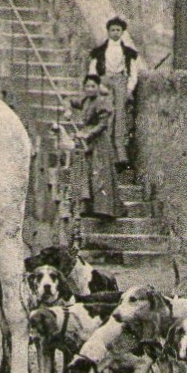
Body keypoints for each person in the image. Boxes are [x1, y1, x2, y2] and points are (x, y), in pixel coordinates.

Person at [84, 16, 143, 170]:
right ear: (108, 31)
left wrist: (129, 88)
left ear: (122, 32)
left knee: (120, 118)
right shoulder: (100, 52)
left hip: (121, 84)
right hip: (105, 84)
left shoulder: (128, 53)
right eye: (113, 30)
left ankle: (120, 157)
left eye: (118, 30)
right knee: (106, 116)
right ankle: (106, 155)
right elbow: (93, 71)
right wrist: (99, 86)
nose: (115, 33)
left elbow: (133, 73)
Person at [72, 75, 119, 220]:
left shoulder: (102, 102)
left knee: (100, 173)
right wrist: (68, 110)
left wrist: (87, 134)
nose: (90, 89)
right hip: (88, 143)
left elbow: (102, 124)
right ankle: (88, 207)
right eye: (87, 86)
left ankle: (104, 209)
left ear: (98, 88)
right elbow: (72, 102)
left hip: (99, 142)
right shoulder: (86, 101)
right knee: (86, 172)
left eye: (93, 86)